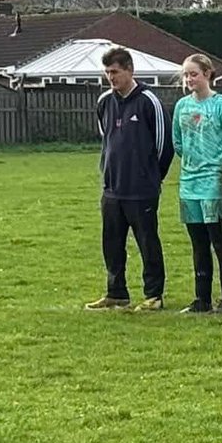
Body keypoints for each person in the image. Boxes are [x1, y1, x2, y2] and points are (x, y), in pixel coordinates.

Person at [85, 46, 174, 312]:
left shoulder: (148, 101)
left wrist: (152, 177)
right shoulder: (104, 101)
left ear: (130, 70)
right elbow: (107, 138)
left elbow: (164, 145)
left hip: (142, 190)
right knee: (111, 243)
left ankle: (154, 295)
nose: (110, 77)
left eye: (115, 72)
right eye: (107, 72)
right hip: (112, 188)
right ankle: (116, 293)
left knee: (147, 242)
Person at [172, 54, 222, 314]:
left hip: (215, 182)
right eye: (186, 75)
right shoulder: (182, 106)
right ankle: (201, 299)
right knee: (198, 243)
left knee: (219, 240)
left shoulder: (221, 105)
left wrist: (219, 164)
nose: (189, 79)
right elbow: (177, 141)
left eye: (194, 74)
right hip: (189, 182)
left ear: (207, 74)